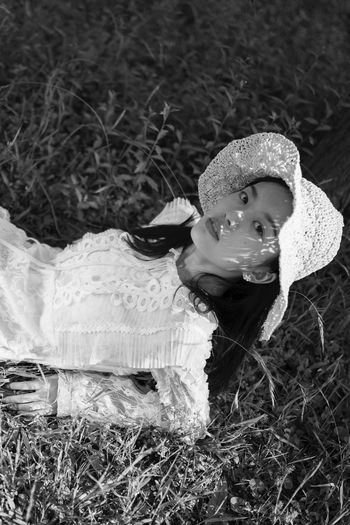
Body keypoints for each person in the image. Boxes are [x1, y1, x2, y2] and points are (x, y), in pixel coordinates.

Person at [0, 132, 344, 444]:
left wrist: (72, 394)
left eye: (257, 227)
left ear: (258, 274)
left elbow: (186, 421)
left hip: (16, 319)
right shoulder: (178, 228)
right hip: (26, 260)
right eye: (243, 197)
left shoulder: (182, 330)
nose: (232, 216)